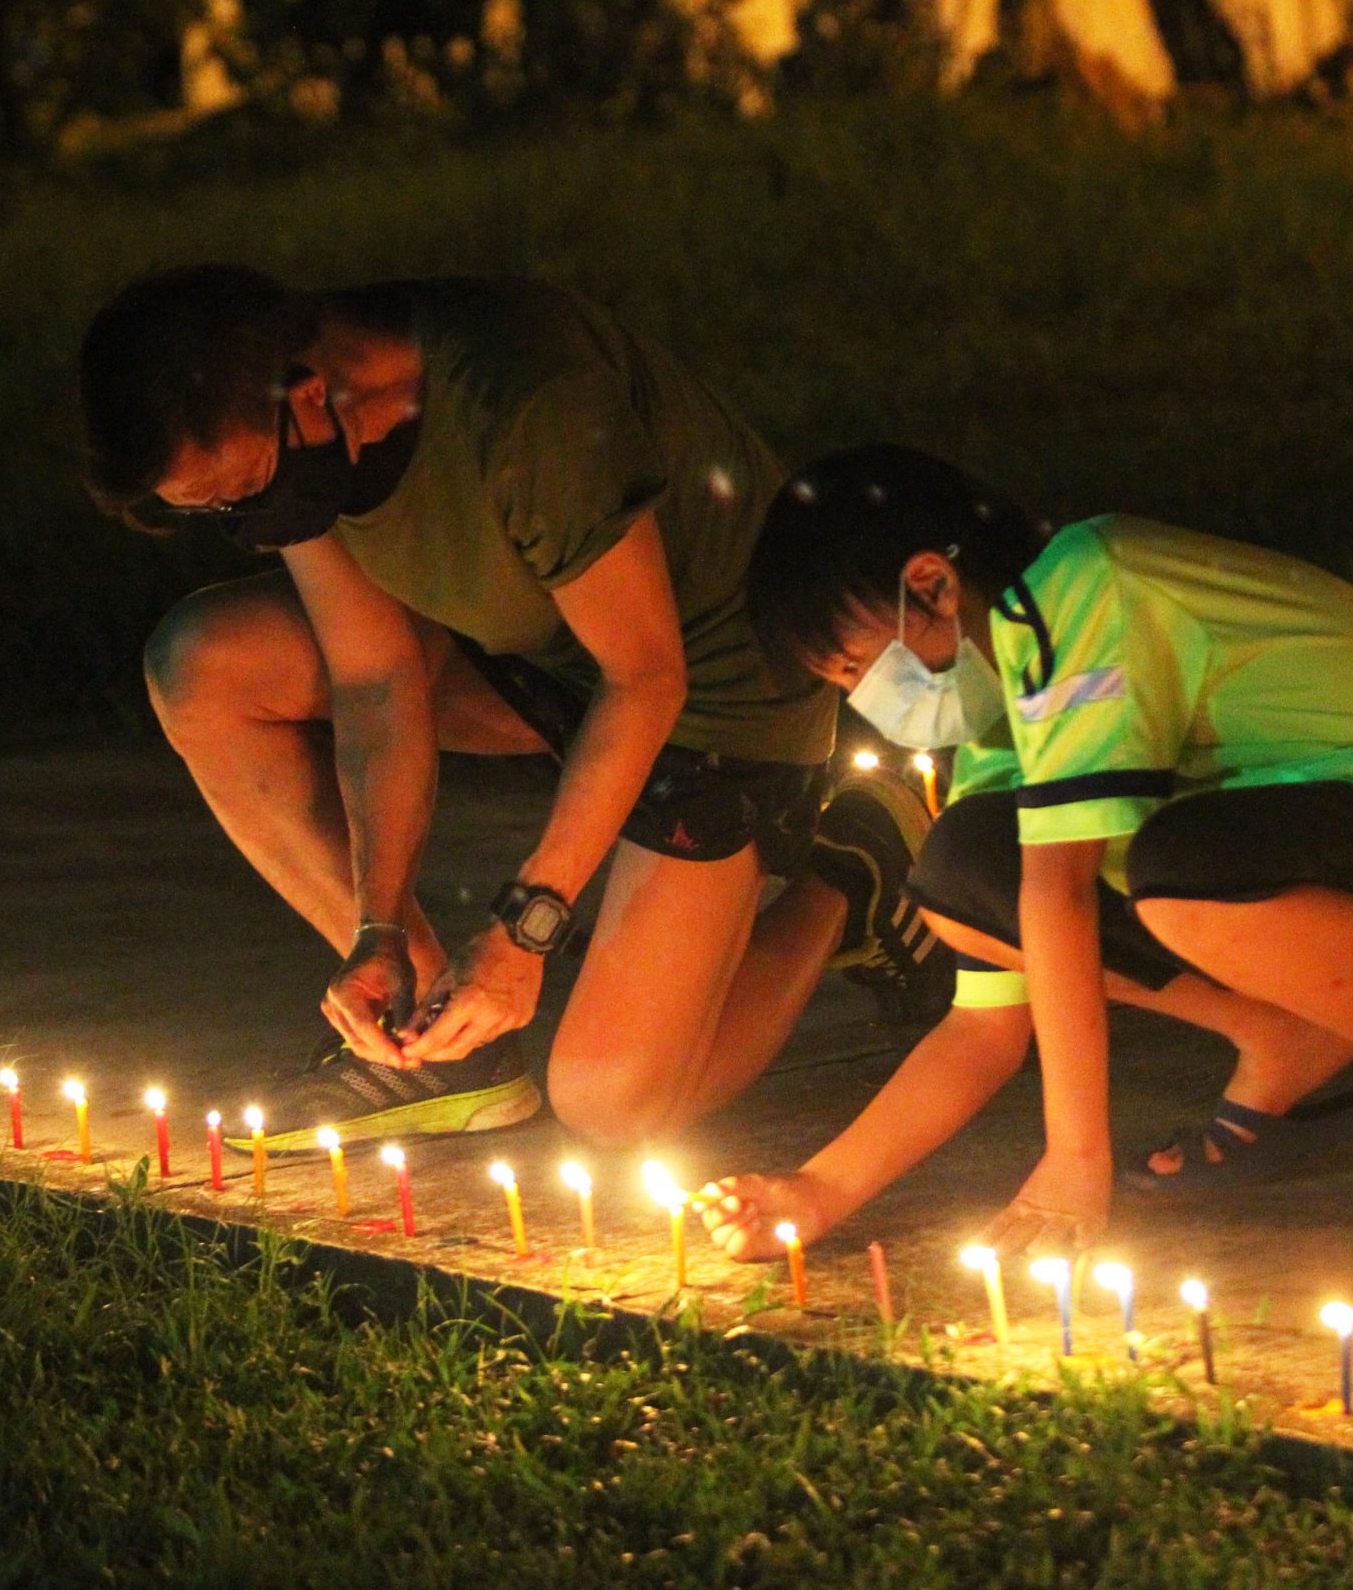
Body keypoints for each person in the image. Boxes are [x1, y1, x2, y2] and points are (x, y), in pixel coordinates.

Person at [75, 269, 941, 1149]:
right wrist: (378, 924)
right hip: (536, 656)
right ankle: (436, 1039)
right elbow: (376, 683)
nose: (245, 520)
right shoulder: (310, 442)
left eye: (239, 491)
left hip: (718, 691)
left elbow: (646, 677)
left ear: (301, 392)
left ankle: (851, 865)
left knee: (614, 1105)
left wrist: (523, 932)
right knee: (203, 665)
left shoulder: (527, 404)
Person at [696, 444, 1353, 1259]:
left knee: (1181, 868)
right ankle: (1289, 1039)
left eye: (855, 667)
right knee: (966, 870)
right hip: (1346, 862)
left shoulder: (1086, 585)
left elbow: (1063, 893)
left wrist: (1076, 1159)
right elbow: (987, 1017)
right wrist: (818, 1191)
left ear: (929, 585)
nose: (864, 700)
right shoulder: (1007, 708)